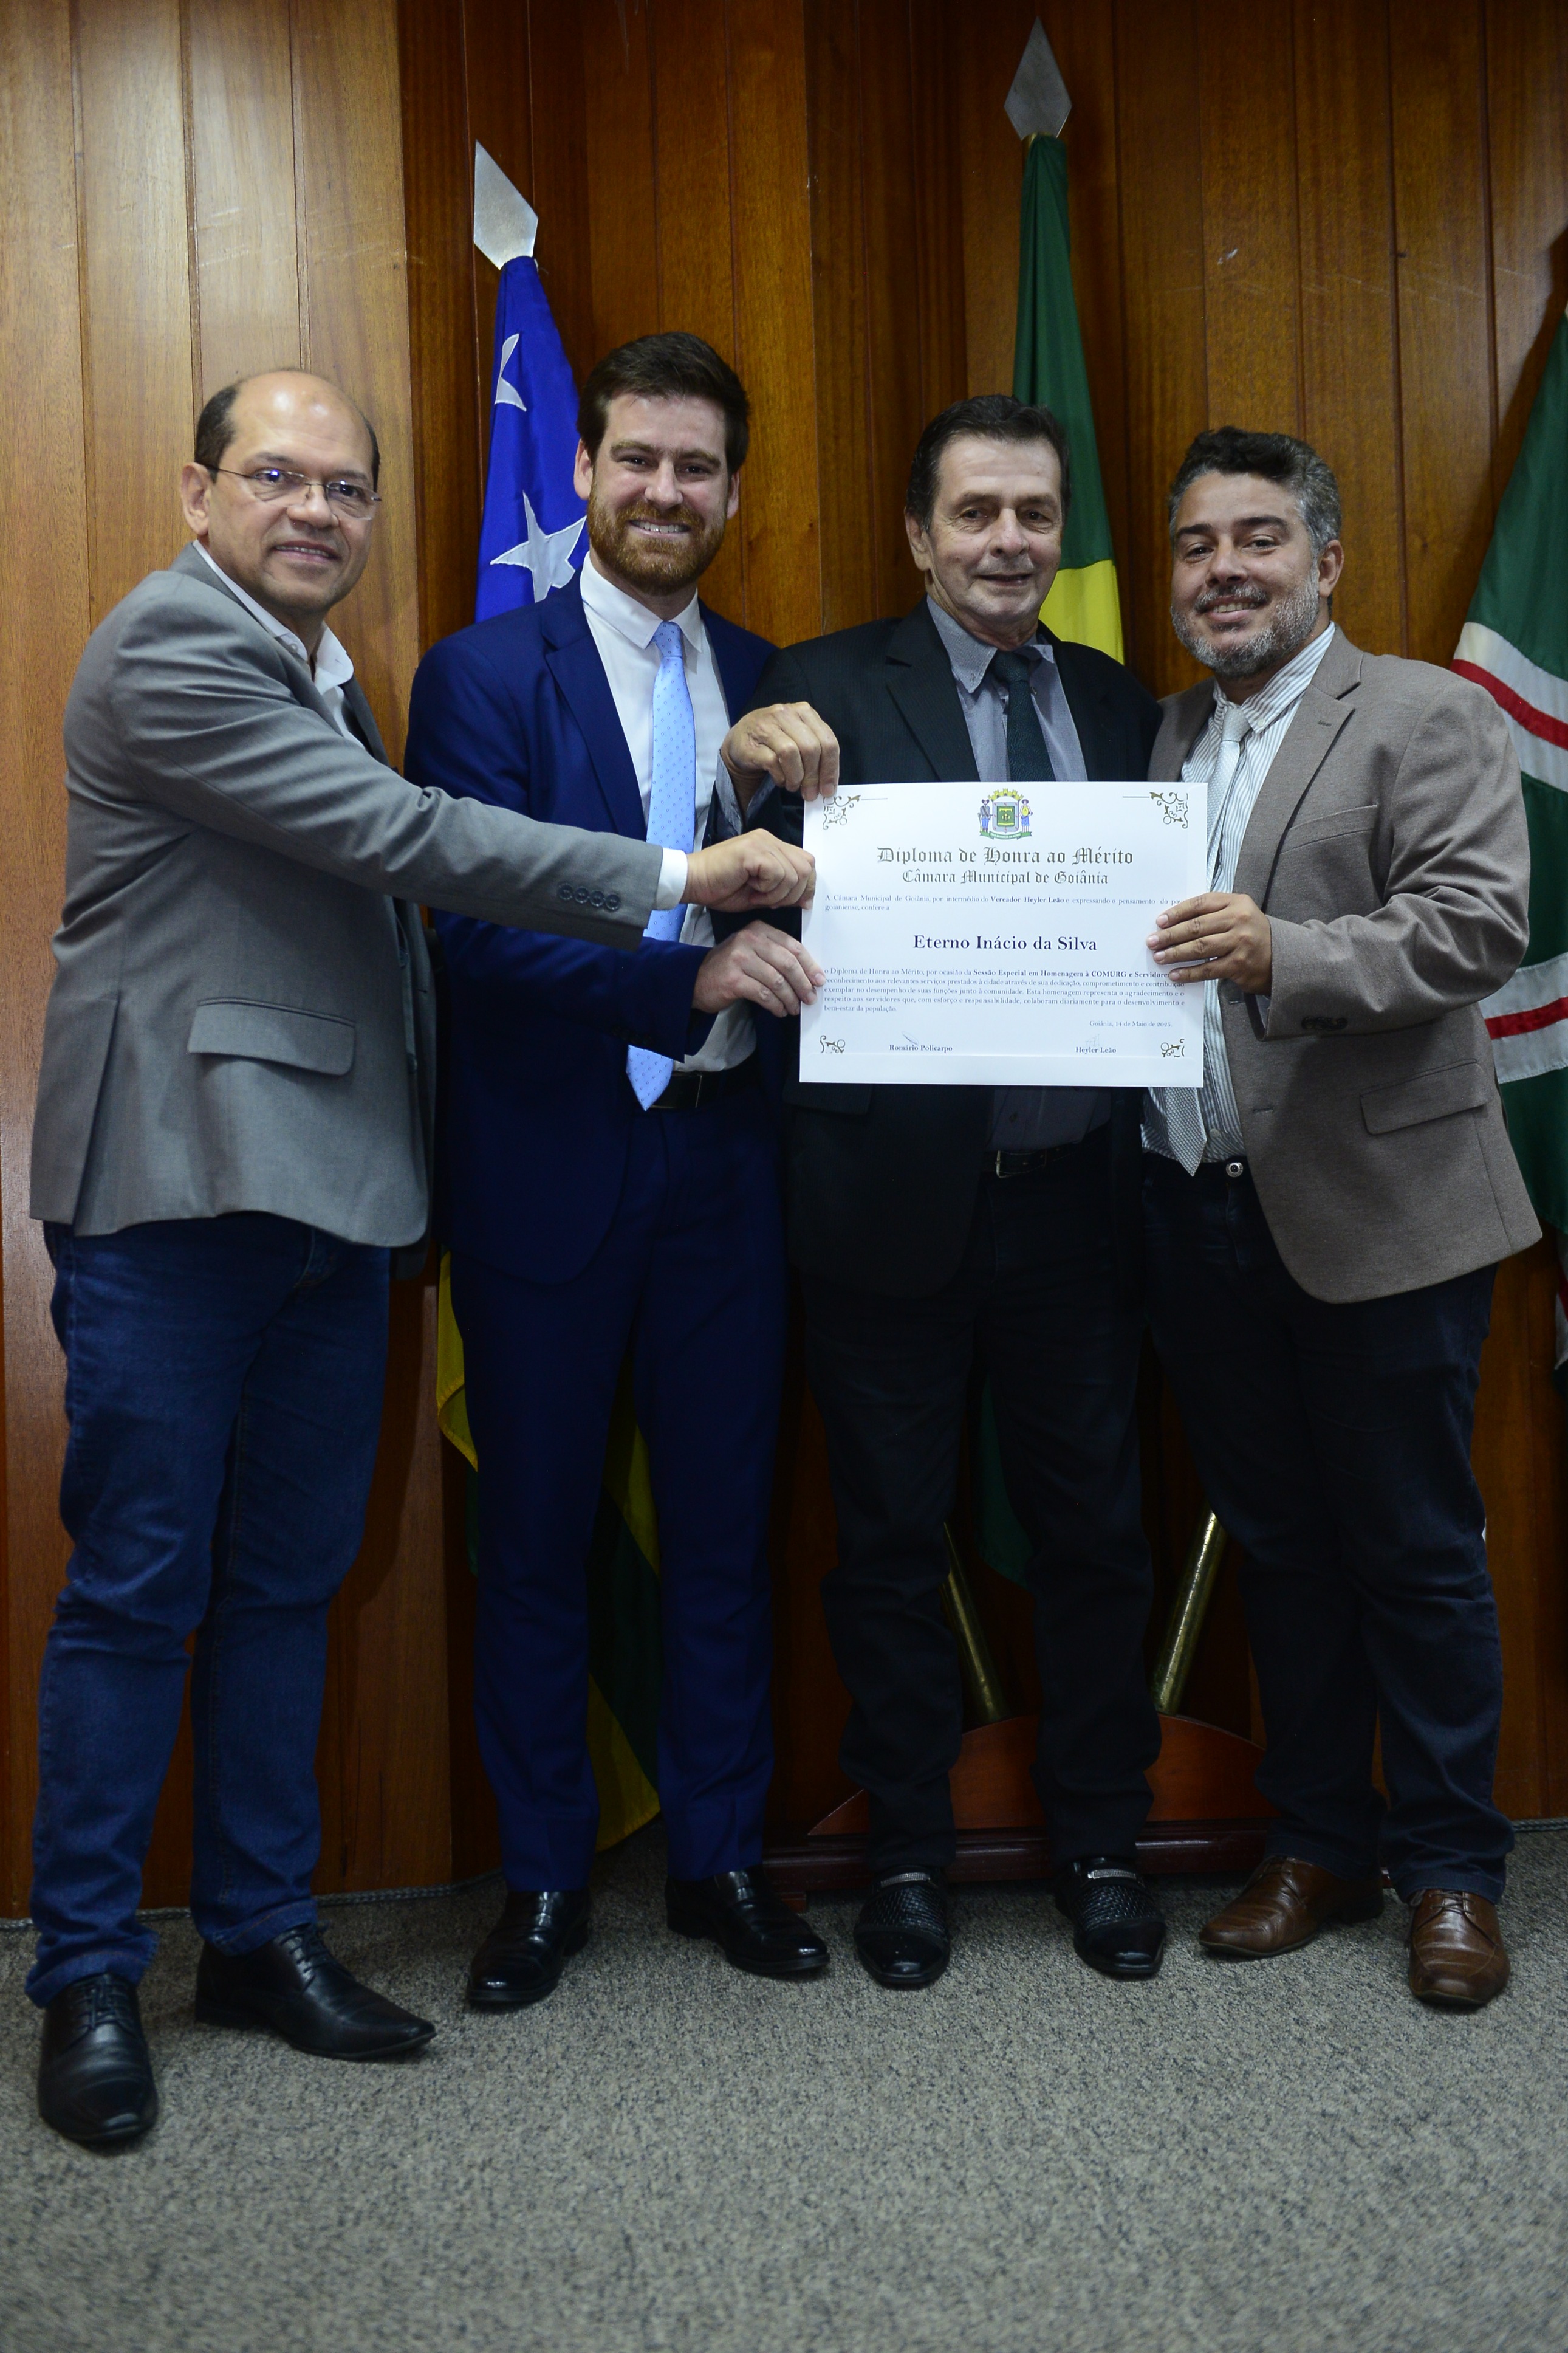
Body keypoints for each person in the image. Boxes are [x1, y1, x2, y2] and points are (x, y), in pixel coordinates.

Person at [26, 367, 813, 2151]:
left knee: (287, 1588)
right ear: (197, 493)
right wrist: (682, 877)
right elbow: (405, 842)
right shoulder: (176, 648)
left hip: (337, 1199)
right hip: (175, 1189)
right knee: (140, 1591)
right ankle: (85, 1970)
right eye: (276, 477)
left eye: (347, 488)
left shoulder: (325, 667)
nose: (315, 511)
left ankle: (256, 1936)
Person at [404, 332, 830, 2010]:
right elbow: (475, 927)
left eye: (696, 466)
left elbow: (843, 919)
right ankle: (541, 1880)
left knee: (727, 1536)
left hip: (731, 1174)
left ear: (732, 492)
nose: (665, 490)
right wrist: (686, 979)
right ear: (581, 471)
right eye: (637, 458)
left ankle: (721, 1860)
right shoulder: (479, 677)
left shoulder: (785, 692)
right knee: (533, 1547)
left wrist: (819, 850)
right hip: (546, 1176)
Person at [729, 394, 1166, 1990]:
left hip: (1077, 1204)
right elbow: (722, 878)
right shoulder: (818, 690)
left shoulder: (1122, 706)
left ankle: (1102, 1843)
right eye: (975, 513)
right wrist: (742, 773)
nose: (1007, 542)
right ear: (920, 535)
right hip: (885, 1204)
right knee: (890, 1546)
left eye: (1034, 514)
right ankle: (909, 1851)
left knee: (1096, 1536)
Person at [1140, 426, 1536, 2008]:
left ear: (1327, 560)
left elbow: (1476, 925)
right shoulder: (1167, 735)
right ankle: (1318, 1843)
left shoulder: (1426, 711)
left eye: (1257, 539)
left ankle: (1452, 1872)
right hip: (1201, 1214)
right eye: (1196, 547)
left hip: (1383, 1207)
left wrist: (1283, 953)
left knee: (1416, 1551)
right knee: (1285, 1552)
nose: (1223, 571)